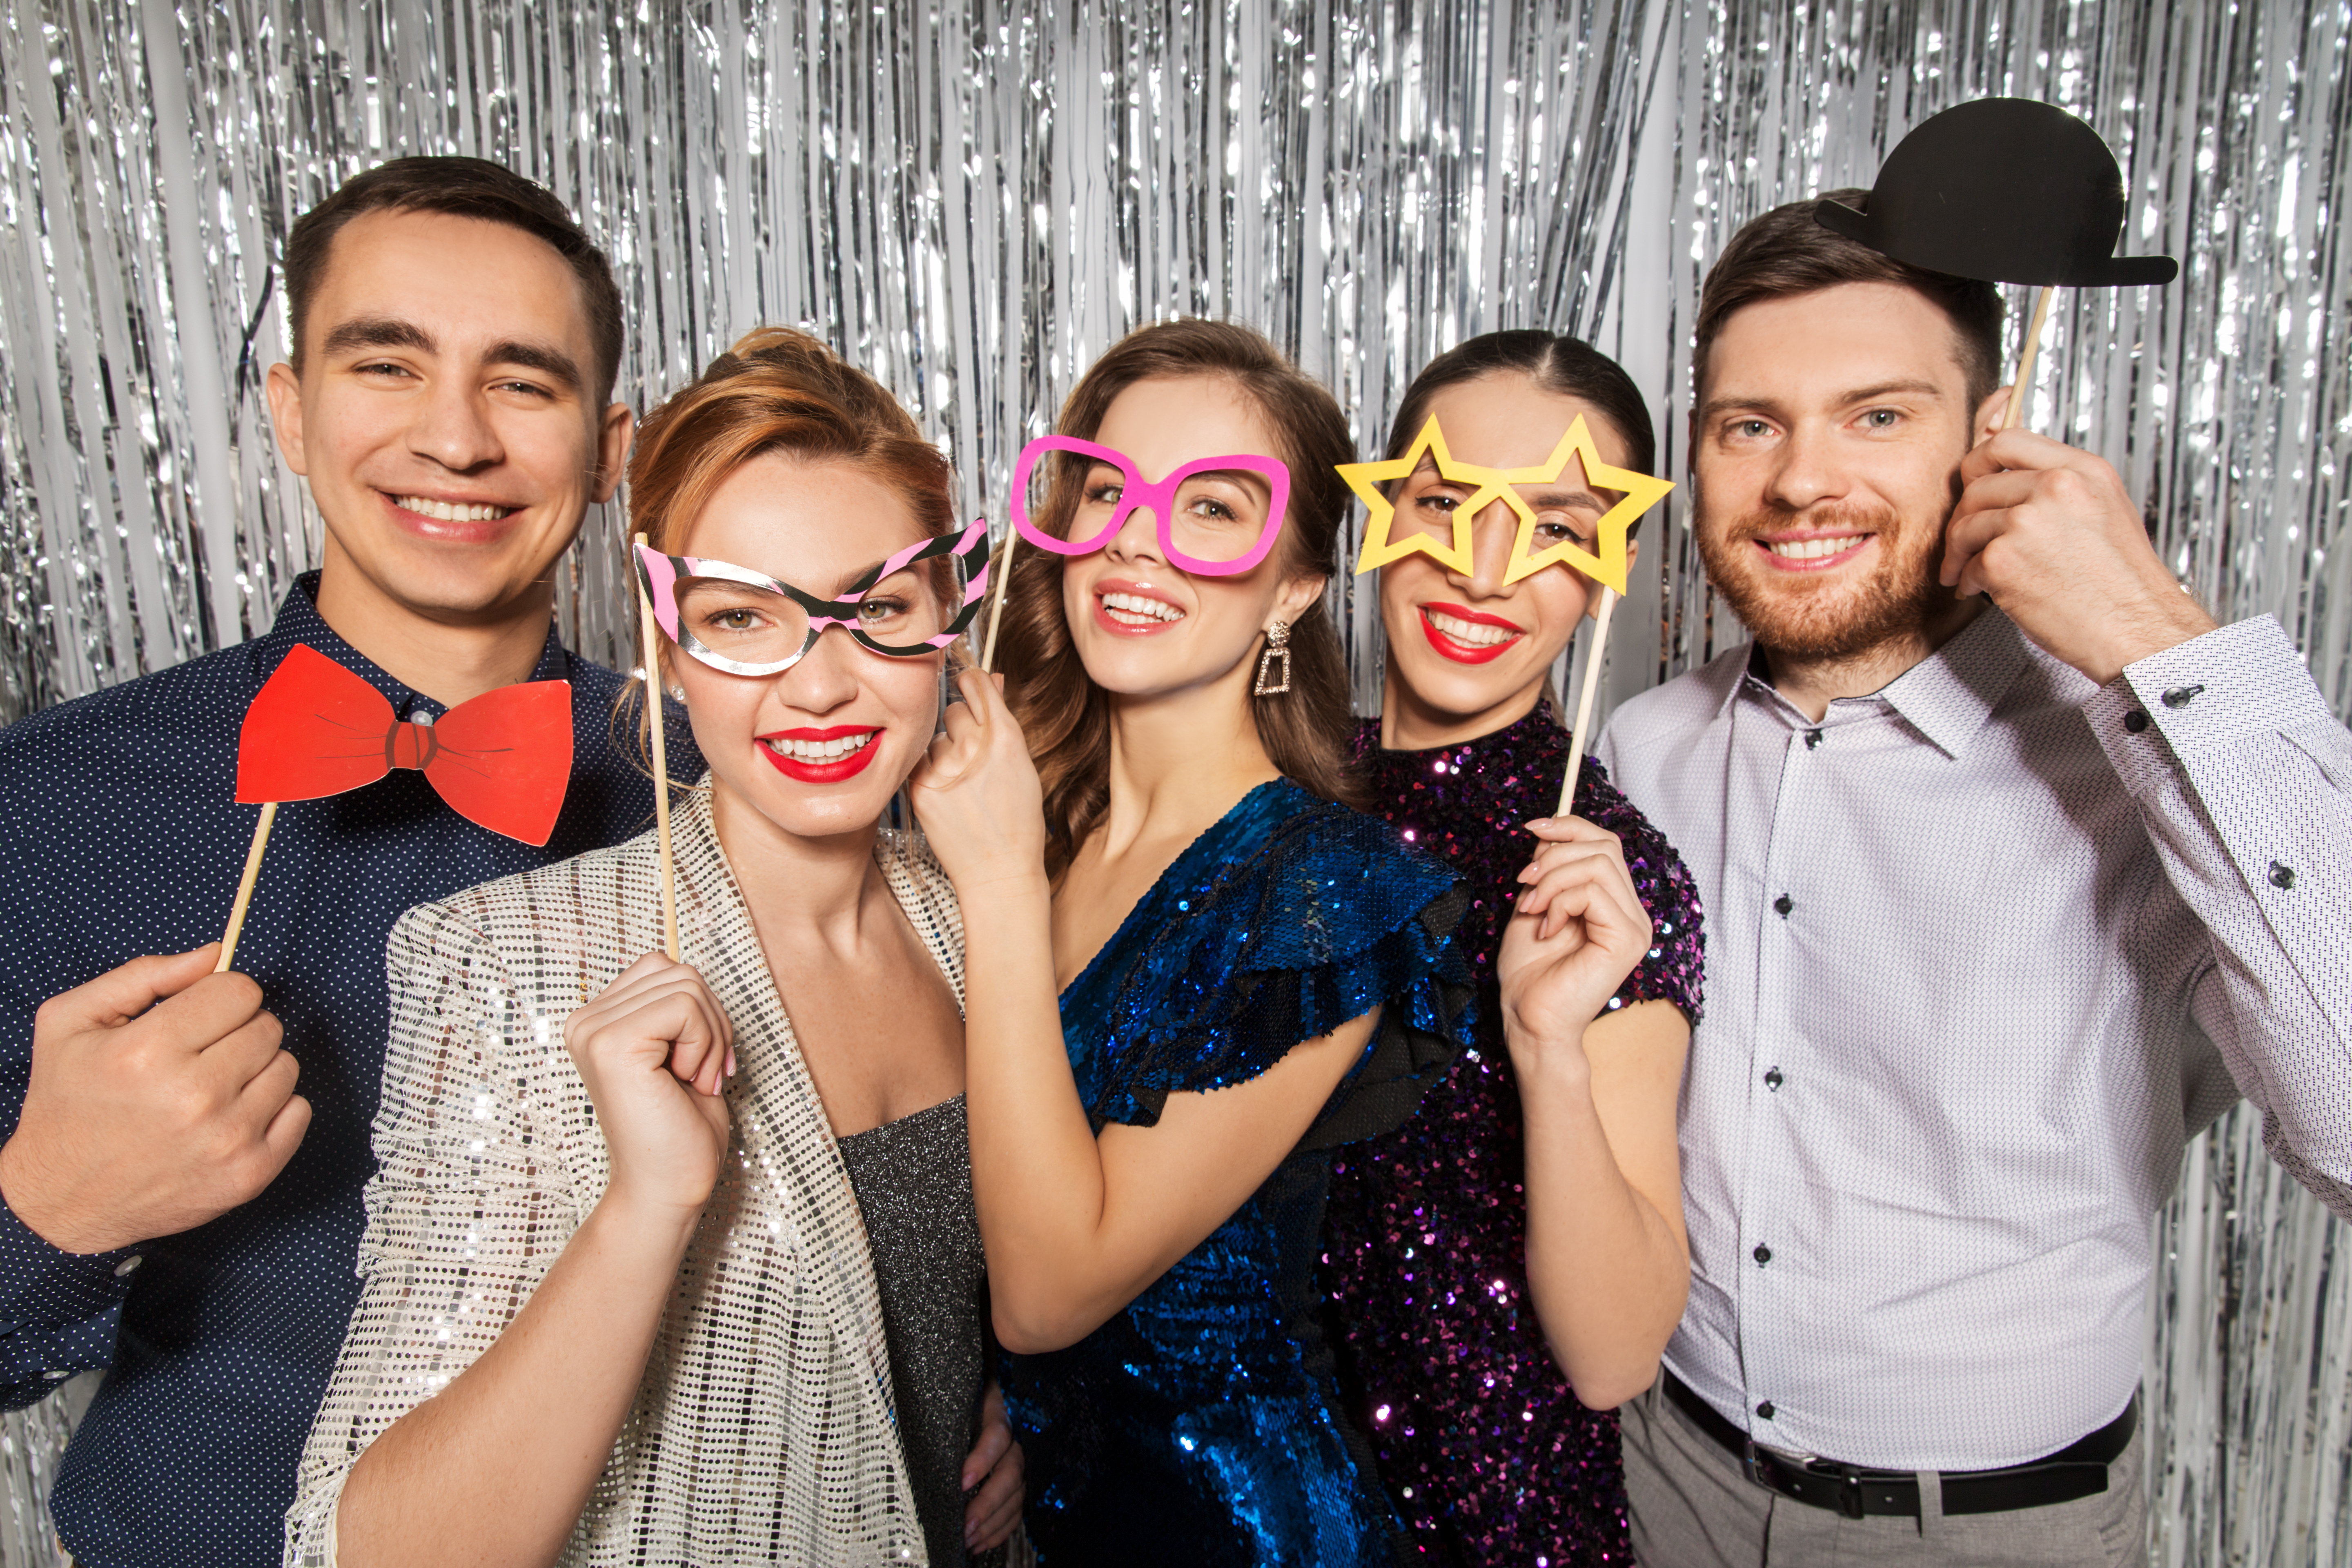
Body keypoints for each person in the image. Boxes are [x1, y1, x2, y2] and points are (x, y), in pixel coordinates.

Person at [1601, 194, 2352, 1566]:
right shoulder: (1644, 750)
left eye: (1877, 416)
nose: (1800, 482)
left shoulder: (2149, 768)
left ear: (1990, 441)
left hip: (2002, 1534)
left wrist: (2149, 635)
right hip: (1665, 1480)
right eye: (1749, 424)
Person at [0, 158, 706, 1568]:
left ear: (612, 446)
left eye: (523, 382)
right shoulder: (52, 800)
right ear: (291, 413)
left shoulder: (714, 790)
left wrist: (937, 1391)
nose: (455, 441)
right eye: (388, 363)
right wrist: (46, 1214)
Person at [285, 328, 1023, 1566]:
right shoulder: (503, 960)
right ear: (669, 651)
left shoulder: (978, 914)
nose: (822, 686)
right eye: (744, 618)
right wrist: (647, 1206)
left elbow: (960, 1299)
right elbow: (363, 1551)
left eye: (877, 608)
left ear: (949, 616)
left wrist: (1009, 1417)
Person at [907, 319, 1473, 1565]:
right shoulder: (1034, 826)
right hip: (1045, 1517)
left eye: (1213, 507)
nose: (1134, 536)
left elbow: (1053, 1296)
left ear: (1297, 585)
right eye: (1106, 487)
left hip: (1234, 1534)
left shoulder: (1325, 895)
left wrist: (999, 886)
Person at [1319, 330, 1704, 1565]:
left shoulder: (1603, 880)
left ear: (1611, 567)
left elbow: (1614, 1356)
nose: (1483, 571)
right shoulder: (1258, 790)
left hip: (1489, 1523)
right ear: (1384, 510)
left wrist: (1549, 1048)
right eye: (1445, 503)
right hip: (1228, 1493)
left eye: (1552, 526)